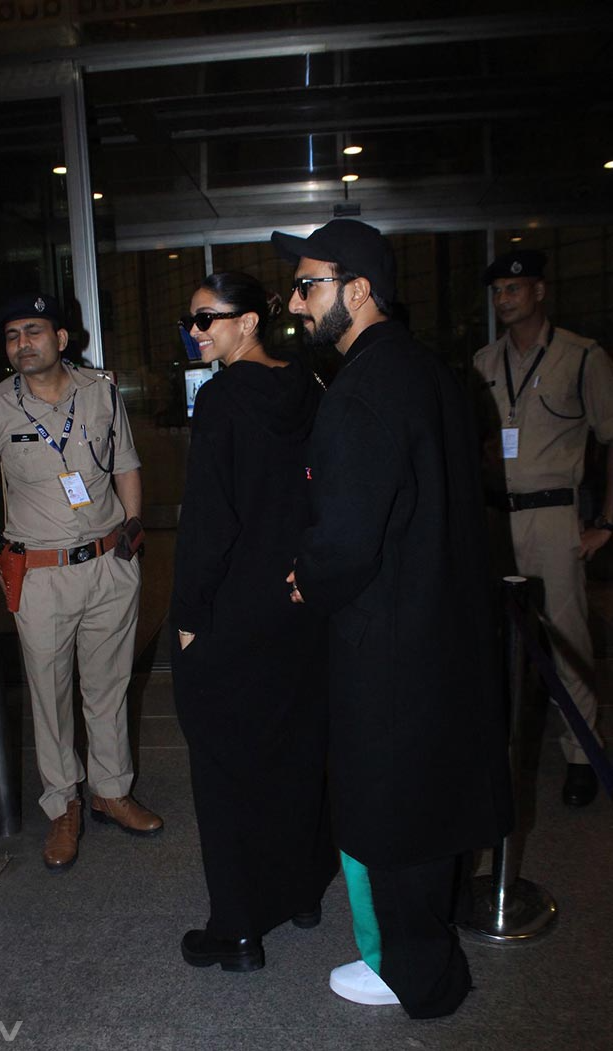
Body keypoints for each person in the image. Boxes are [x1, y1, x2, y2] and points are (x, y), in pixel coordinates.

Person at [271, 219, 513, 1019]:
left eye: (308, 285)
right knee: (427, 797)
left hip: (390, 638)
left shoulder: (362, 389)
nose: (294, 302)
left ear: (359, 289)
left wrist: (308, 579)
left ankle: (414, 972)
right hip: (441, 622)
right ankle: (418, 951)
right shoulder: (426, 370)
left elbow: (346, 535)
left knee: (388, 806)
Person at [170, 271, 337, 973]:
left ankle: (238, 929)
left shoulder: (221, 399)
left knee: (225, 769)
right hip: (299, 605)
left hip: (234, 612)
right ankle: (301, 891)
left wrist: (188, 614)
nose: (196, 334)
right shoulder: (310, 386)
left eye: (208, 320)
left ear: (249, 322)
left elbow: (212, 519)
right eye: (191, 323)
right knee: (296, 752)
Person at [0, 293, 163, 871]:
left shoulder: (101, 390)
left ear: (62, 338)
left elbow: (125, 463)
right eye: (11, 336)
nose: (22, 343)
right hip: (41, 573)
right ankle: (63, 807)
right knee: (49, 696)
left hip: (108, 564)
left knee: (108, 686)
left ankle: (111, 791)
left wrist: (131, 533)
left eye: (33, 330)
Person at [473, 249, 613, 807]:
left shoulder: (583, 357)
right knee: (498, 639)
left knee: (566, 636)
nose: (504, 299)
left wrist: (605, 522)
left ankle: (582, 752)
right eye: (498, 292)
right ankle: (499, 749)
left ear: (539, 292)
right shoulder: (484, 362)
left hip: (554, 515)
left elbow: (610, 440)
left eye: (514, 289)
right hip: (496, 517)